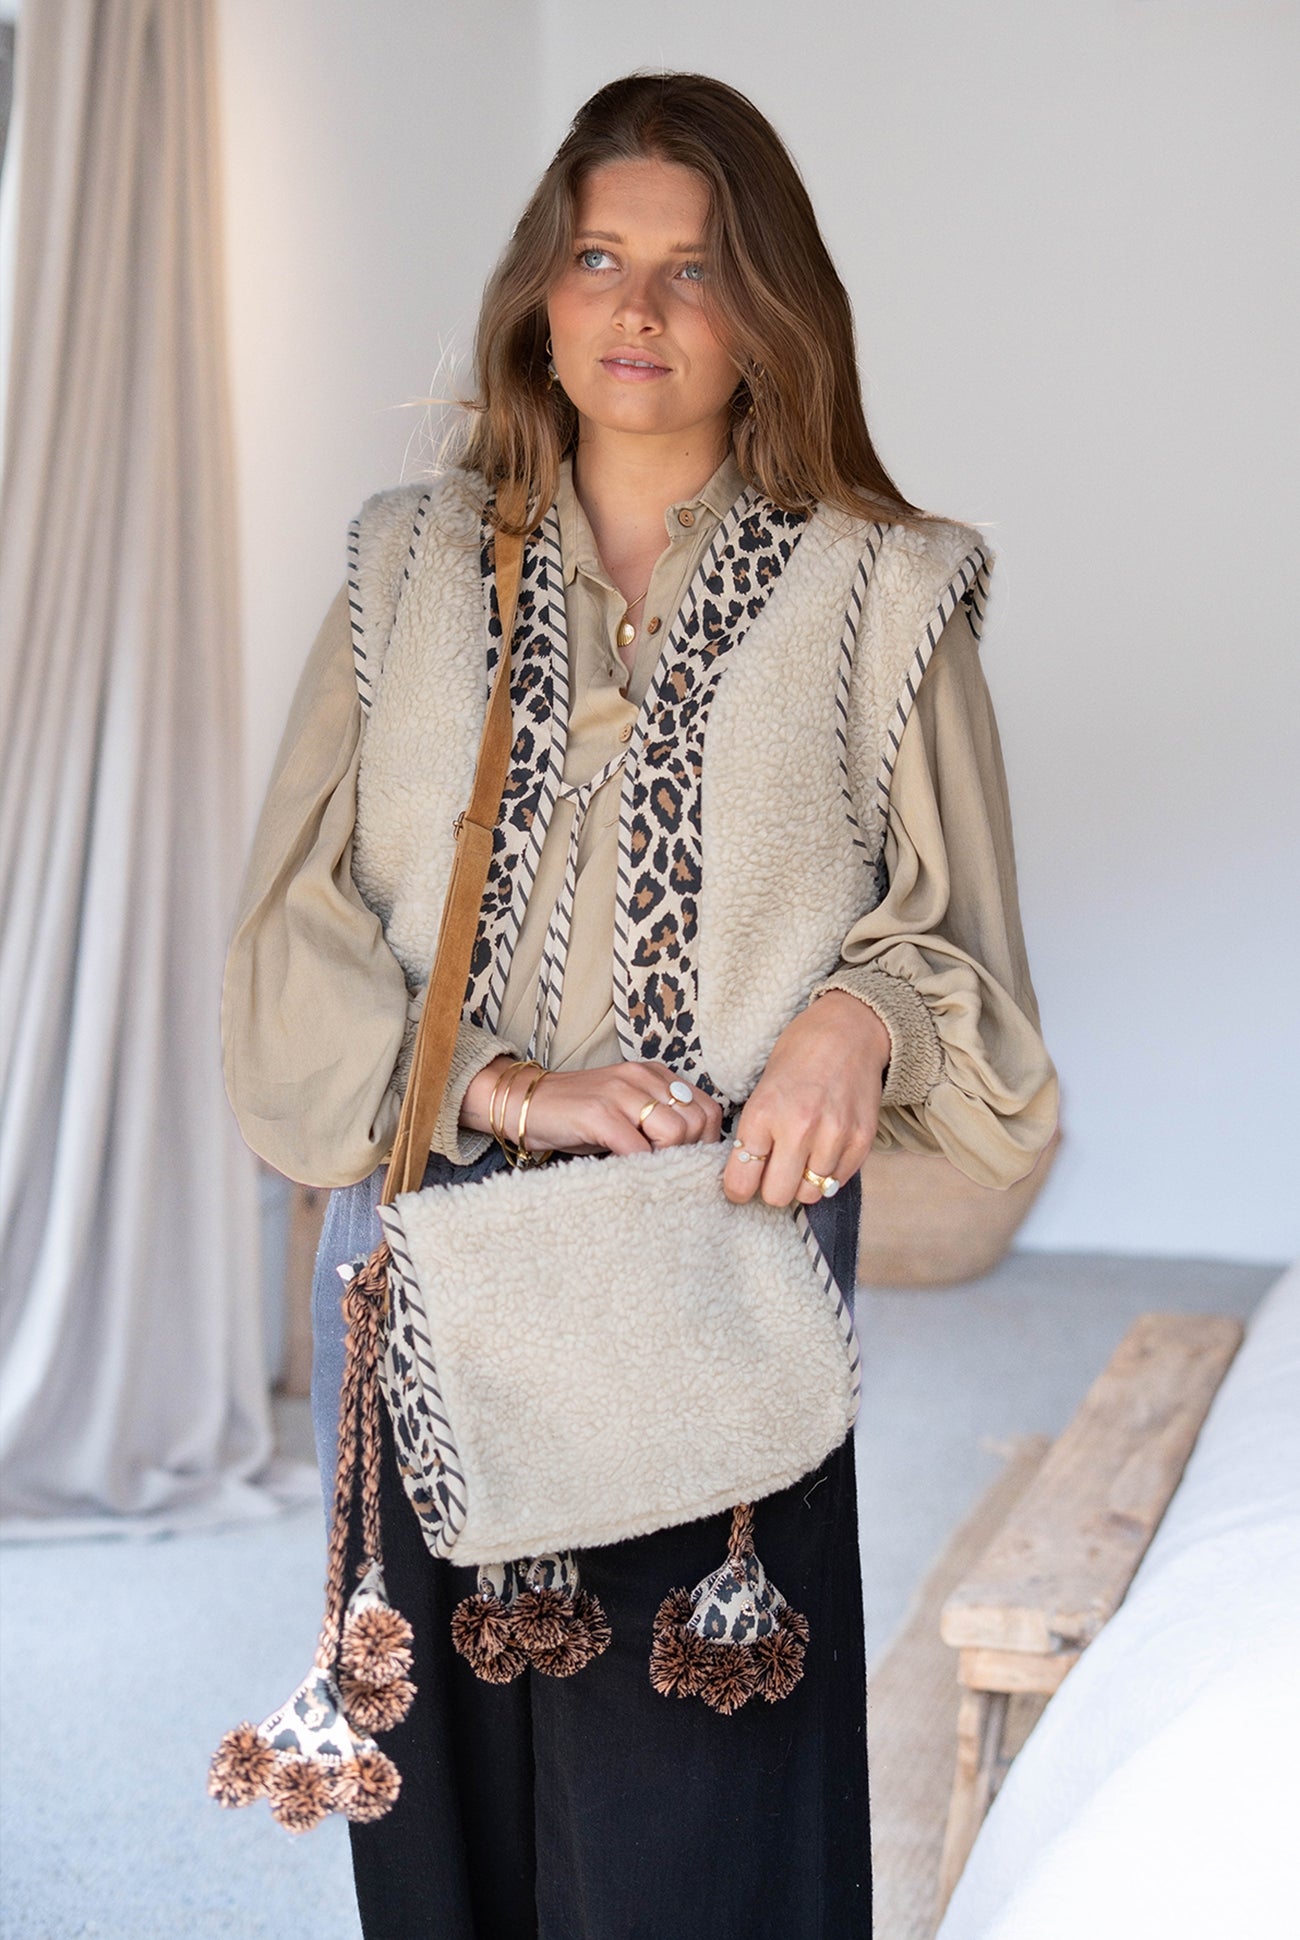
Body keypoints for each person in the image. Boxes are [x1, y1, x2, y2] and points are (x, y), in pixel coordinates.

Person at [222, 70, 1057, 1940]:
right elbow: (288, 939)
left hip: (710, 1286)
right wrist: (512, 1085)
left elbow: (970, 971)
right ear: (541, 291)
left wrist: (859, 1018)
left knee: (694, 1847)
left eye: (697, 268)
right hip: (445, 1274)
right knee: (448, 1845)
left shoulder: (887, 591)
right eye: (600, 257)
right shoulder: (403, 563)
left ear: (773, 311)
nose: (641, 308)